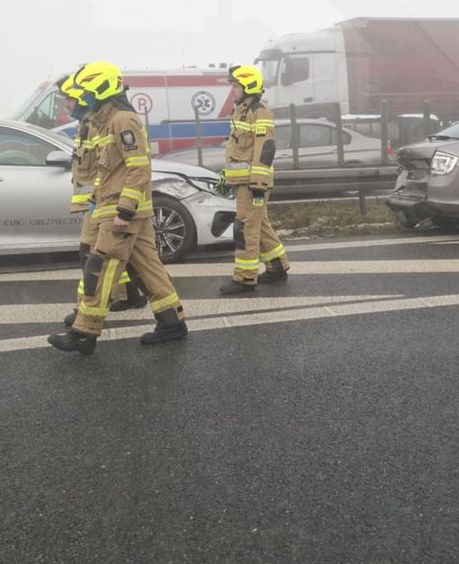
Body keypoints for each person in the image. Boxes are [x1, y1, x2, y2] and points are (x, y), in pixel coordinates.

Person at [48, 62, 186, 353]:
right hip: (113, 205)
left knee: (101, 267)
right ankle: (172, 322)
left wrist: (124, 210)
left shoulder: (123, 120)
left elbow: (139, 168)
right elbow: (104, 171)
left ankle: (84, 332)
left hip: (123, 209)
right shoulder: (104, 122)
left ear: (100, 90)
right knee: (147, 268)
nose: (80, 98)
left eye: (84, 93)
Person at [58, 84, 146, 330]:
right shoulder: (88, 124)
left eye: (70, 99)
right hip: (99, 201)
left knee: (94, 257)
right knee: (120, 257)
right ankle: (131, 295)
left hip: (106, 202)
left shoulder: (106, 123)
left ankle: (85, 315)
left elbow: (114, 167)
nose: (67, 105)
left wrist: (114, 205)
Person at [217, 64, 290, 294]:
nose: (233, 90)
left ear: (248, 86)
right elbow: (237, 150)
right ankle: (277, 266)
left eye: (236, 85)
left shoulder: (259, 111)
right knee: (260, 224)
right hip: (243, 183)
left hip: (252, 184)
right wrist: (225, 174)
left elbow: (265, 148)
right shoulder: (241, 111)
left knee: (246, 228)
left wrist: (258, 183)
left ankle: (245, 278)